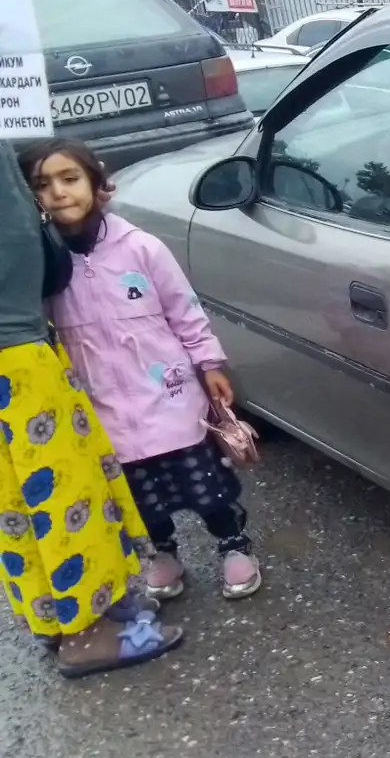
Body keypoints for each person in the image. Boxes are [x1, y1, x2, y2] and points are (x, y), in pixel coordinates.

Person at [25, 140, 262, 602]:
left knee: (205, 485)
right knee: (138, 497)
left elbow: (184, 310)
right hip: (103, 408)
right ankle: (162, 553)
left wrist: (208, 362)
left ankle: (233, 543)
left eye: (70, 179)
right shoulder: (43, 263)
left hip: (169, 399)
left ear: (97, 183)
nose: (58, 193)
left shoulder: (141, 248)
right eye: (43, 185)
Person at [0, 138, 182, 676]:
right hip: (16, 362)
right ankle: (85, 633)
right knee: (59, 498)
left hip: (19, 355)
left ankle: (65, 617)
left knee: (21, 502)